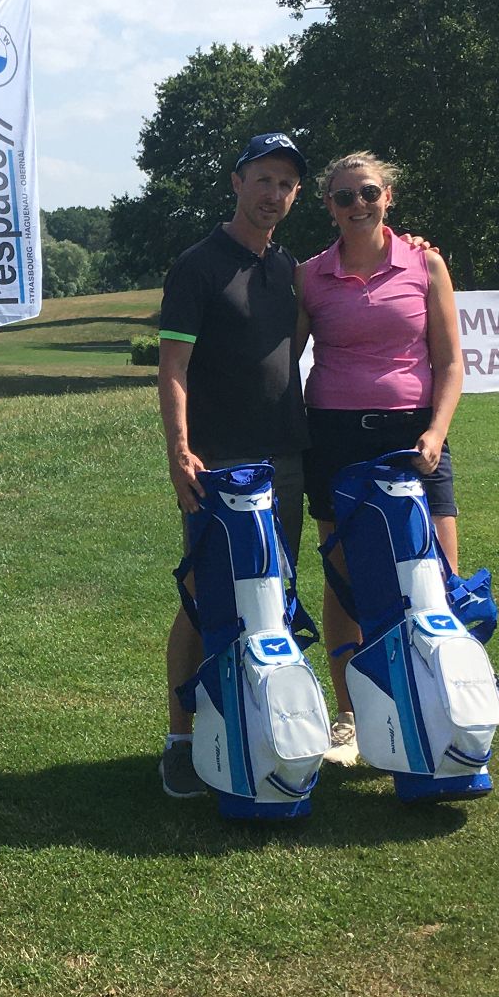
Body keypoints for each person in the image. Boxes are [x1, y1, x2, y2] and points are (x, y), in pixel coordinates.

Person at [294, 152, 466, 767]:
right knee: (345, 580)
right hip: (336, 436)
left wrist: (437, 432)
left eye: (368, 192)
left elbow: (450, 362)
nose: (358, 205)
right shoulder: (309, 276)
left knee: (438, 576)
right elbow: (280, 360)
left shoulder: (425, 262)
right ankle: (351, 719)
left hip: (415, 437)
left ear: (387, 196)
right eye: (344, 197)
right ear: (329, 207)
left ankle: (440, 708)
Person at [156, 132, 310, 799]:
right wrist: (179, 450)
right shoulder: (198, 266)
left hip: (284, 460)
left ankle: (252, 728)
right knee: (204, 601)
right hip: (219, 465)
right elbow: (173, 367)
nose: (274, 193)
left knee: (272, 599)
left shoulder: (288, 267)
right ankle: (181, 740)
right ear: (237, 182)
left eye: (286, 184)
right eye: (263, 179)